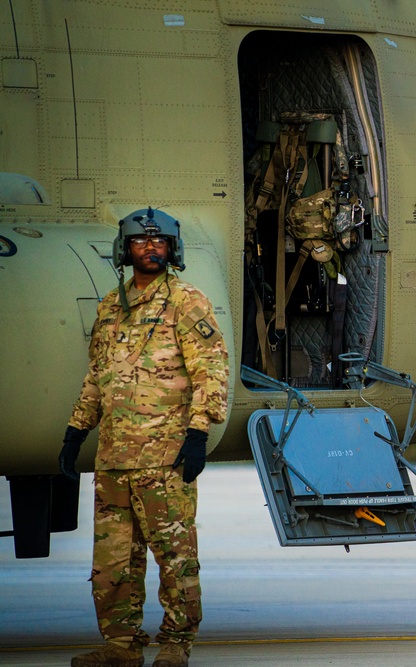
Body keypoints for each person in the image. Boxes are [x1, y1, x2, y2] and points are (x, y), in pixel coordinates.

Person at [59, 208, 229, 667]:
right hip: (113, 457)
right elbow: (98, 375)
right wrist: (76, 431)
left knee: (174, 557)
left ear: (172, 248)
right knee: (112, 564)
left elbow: (211, 370)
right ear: (125, 249)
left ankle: (176, 643)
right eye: (140, 241)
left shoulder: (186, 300)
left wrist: (198, 434)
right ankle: (121, 646)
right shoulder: (111, 306)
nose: (150, 247)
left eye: (158, 242)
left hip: (165, 456)